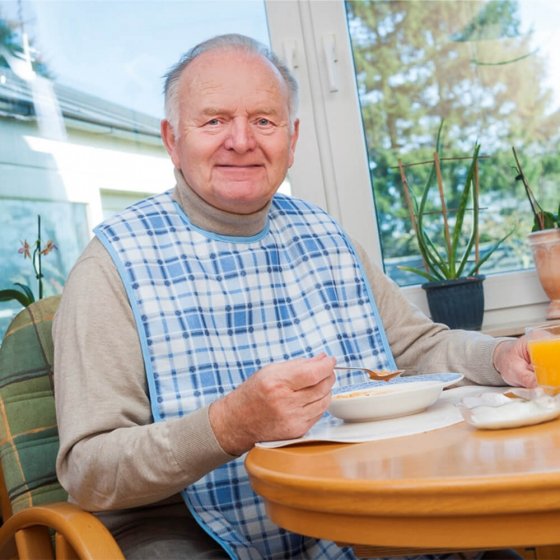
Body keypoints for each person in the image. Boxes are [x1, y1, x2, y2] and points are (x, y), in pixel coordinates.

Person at [53, 33, 534, 560]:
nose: (241, 140)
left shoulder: (325, 235)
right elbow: (91, 470)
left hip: (350, 500)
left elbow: (416, 348)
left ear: (293, 137)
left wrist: (499, 356)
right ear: (172, 139)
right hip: (184, 519)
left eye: (263, 119)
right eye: (214, 120)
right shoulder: (111, 265)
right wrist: (227, 425)